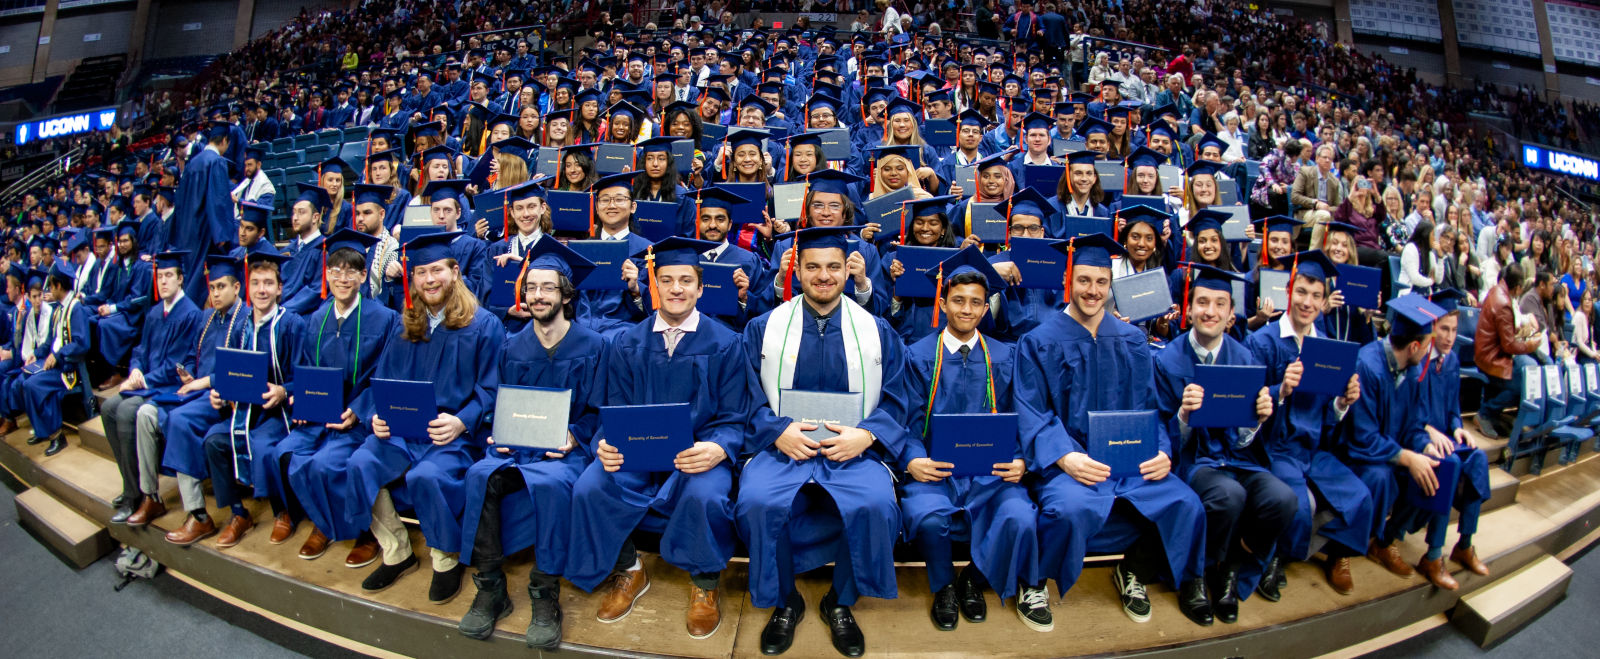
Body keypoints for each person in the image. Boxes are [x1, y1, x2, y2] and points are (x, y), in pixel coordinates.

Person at [1013, 233, 1211, 627]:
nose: (1093, 290)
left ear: (1111, 284)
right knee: (1070, 507)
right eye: (1084, 280)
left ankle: (1133, 570)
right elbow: (1031, 410)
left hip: (1127, 458)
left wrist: (1160, 451)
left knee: (1185, 503)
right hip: (1068, 459)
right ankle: (1033, 581)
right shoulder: (1038, 341)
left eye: (1101, 282)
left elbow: (1148, 407)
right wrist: (1066, 457)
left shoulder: (1133, 339)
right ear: (1069, 278)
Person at [565, 236, 752, 641]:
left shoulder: (725, 344)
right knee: (591, 485)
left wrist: (717, 447)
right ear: (654, 285)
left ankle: (704, 583)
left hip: (696, 455)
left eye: (686, 280)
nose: (676, 289)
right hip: (637, 452)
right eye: (666, 280)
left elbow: (736, 417)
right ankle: (629, 568)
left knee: (706, 496)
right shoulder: (627, 342)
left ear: (701, 288)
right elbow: (610, 410)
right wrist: (604, 441)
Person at [740, 225, 910, 657]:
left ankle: (841, 600)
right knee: (758, 500)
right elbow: (744, 396)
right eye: (813, 267)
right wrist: (777, 431)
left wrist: (867, 435)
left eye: (833, 267)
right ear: (798, 272)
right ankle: (785, 600)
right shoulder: (765, 328)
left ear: (846, 271)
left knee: (875, 503)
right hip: (784, 447)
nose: (823, 276)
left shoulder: (875, 330)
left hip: (851, 449)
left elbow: (896, 396)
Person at [457, 239, 604, 648]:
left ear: (566, 295)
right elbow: (501, 404)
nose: (538, 296)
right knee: (479, 473)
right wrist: (497, 434)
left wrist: (577, 436)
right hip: (518, 447)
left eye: (548, 288)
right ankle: (490, 587)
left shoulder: (594, 347)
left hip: (564, 450)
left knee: (552, 483)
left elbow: (601, 409)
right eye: (532, 288)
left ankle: (544, 591)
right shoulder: (512, 345)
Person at [345, 230, 505, 603]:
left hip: (454, 434)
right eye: (420, 273)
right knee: (360, 462)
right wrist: (377, 417)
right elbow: (381, 382)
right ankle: (396, 551)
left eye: (437, 270)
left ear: (455, 272)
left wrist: (462, 421)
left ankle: (444, 559)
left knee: (426, 475)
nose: (429, 279)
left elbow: (493, 389)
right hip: (402, 431)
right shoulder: (406, 325)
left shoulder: (483, 325)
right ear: (411, 279)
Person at [898, 247, 1048, 632]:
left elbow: (1026, 416)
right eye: (959, 300)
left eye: (976, 303)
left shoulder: (1006, 356)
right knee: (928, 519)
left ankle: (975, 580)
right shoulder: (917, 356)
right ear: (943, 302)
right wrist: (913, 459)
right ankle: (945, 585)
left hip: (992, 473)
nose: (966, 309)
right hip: (938, 470)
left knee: (1019, 517)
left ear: (986, 309)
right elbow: (907, 420)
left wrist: (1021, 459)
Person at [1153, 263, 1290, 624]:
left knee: (1283, 499)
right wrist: (1183, 415)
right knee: (1229, 496)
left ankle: (1232, 564)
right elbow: (1160, 431)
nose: (1209, 311)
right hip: (1193, 461)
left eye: (1219, 304)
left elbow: (1244, 437)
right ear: (1189, 308)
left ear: (1231, 314)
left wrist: (1258, 420)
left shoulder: (1243, 356)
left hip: (1236, 459)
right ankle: (1195, 576)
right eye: (1202, 302)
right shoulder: (1168, 359)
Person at [1245, 250, 1372, 599]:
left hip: (1312, 448)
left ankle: (1310, 553)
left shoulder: (1327, 346)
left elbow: (1326, 417)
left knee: (1361, 497)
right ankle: (1272, 558)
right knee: (1300, 508)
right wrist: (1280, 389)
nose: (1308, 302)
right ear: (1289, 291)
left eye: (1316, 295)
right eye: (1302, 292)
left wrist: (1342, 403)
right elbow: (1246, 405)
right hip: (1275, 448)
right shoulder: (1263, 341)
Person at [280, 230, 400, 561]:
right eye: (335, 270)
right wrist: (302, 401)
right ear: (326, 273)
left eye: (351, 271)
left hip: (359, 420)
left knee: (323, 463)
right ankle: (324, 521)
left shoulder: (386, 318)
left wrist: (359, 410)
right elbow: (304, 369)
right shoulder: (316, 318)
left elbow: (387, 374)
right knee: (287, 455)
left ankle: (364, 531)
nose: (342, 277)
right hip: (320, 417)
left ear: (364, 275)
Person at [1346, 293, 1472, 584]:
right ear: (1415, 346)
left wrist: (1425, 447)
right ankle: (1348, 548)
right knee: (1382, 476)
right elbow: (1363, 437)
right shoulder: (1367, 366)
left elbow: (1415, 426)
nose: (1429, 352)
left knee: (1438, 467)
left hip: (1393, 450)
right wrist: (1407, 457)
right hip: (1359, 454)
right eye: (1428, 345)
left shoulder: (1413, 370)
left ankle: (1385, 540)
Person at [1382, 289, 1493, 589]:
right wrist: (1430, 431)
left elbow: (1454, 408)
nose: (1449, 336)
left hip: (1445, 437)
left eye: (1455, 330)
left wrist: (1457, 426)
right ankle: (1433, 555)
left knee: (1478, 458)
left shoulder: (1453, 362)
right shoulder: (1418, 360)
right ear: (1432, 328)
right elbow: (1410, 412)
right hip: (1418, 436)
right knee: (1451, 463)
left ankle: (1465, 543)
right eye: (1443, 329)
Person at [197, 252, 306, 549]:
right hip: (245, 410)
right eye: (256, 282)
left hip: (278, 412)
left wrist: (284, 390)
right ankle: (237, 513)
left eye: (268, 283)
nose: (261, 289)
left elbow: (306, 376)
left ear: (279, 289)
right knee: (213, 441)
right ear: (247, 287)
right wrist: (219, 391)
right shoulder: (240, 326)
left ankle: (283, 512)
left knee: (263, 446)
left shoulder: (291, 324)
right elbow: (228, 370)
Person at [103, 251, 202, 525]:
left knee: (125, 412)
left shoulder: (190, 314)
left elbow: (179, 362)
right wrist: (135, 368)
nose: (163, 282)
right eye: (159, 276)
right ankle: (129, 482)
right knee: (109, 408)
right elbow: (141, 349)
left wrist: (144, 380)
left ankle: (138, 495)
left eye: (169, 276)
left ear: (181, 279)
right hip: (146, 384)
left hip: (168, 388)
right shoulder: (155, 312)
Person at [162, 256, 253, 545]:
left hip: (221, 395)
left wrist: (205, 382)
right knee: (153, 414)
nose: (215, 293)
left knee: (177, 420)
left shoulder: (246, 319)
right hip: (197, 391)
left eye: (221, 287)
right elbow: (191, 352)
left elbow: (240, 368)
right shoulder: (206, 317)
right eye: (211, 287)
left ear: (237, 287)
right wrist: (188, 372)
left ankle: (198, 515)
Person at [20, 260, 91, 456]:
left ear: (58, 286)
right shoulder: (60, 308)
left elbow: (81, 344)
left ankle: (56, 435)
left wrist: (57, 355)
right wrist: (39, 353)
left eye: (51, 286)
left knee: (33, 385)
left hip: (69, 368)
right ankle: (44, 430)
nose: (49, 290)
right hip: (57, 363)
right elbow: (52, 340)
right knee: (26, 376)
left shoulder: (75, 309)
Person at [171, 121, 238, 302]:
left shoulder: (192, 163)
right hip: (203, 230)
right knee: (199, 282)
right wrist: (223, 237)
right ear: (224, 141)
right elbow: (218, 203)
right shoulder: (216, 162)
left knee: (189, 275)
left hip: (187, 230)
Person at [1473, 265, 1539, 438]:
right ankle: (1485, 414)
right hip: (1490, 358)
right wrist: (1530, 345)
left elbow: (1504, 334)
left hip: (1495, 353)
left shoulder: (1498, 291)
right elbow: (1509, 345)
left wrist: (1519, 334)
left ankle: (1496, 414)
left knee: (1532, 366)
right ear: (1517, 287)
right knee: (1524, 382)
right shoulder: (1503, 303)